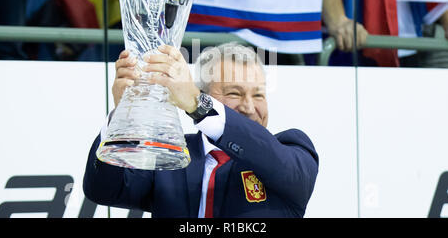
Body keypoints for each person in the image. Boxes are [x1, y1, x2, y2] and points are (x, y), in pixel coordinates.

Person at [83, 42, 319, 217]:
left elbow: (278, 163)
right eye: (234, 93)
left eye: (258, 95)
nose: (249, 106)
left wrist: (198, 105)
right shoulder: (171, 151)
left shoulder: (291, 150)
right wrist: (125, 116)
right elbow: (104, 190)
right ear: (203, 92)